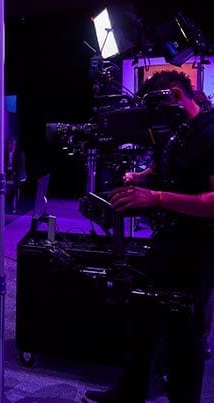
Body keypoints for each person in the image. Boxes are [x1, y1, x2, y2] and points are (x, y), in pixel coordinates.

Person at [83, 71, 214, 402]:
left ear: (174, 94)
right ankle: (131, 391)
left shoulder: (210, 134)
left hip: (196, 250)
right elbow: (164, 170)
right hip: (166, 240)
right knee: (143, 319)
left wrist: (155, 199)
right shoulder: (179, 134)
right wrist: (140, 178)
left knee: (184, 336)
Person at [0, 137, 27, 212]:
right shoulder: (3, 153)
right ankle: (2, 200)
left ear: (14, 145)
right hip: (6, 172)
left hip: (16, 172)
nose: (10, 146)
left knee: (15, 180)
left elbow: (21, 167)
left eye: (12, 145)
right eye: (8, 145)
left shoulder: (20, 154)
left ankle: (14, 201)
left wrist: (14, 173)